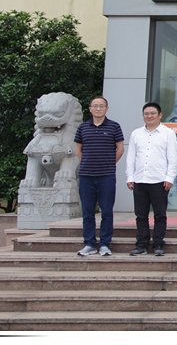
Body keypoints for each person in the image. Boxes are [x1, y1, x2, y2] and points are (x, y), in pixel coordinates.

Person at [125, 102, 177, 256]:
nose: (149, 116)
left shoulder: (168, 133)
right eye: (146, 114)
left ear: (160, 115)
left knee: (160, 215)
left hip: (159, 181)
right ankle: (141, 245)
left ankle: (158, 244)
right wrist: (130, 176)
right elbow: (131, 157)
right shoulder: (136, 134)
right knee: (141, 215)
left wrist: (170, 177)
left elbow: (173, 158)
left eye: (153, 113)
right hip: (140, 180)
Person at [74, 96, 124, 256]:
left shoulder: (114, 126)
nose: (98, 109)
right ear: (90, 109)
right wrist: (87, 163)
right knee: (87, 211)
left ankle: (104, 244)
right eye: (95, 106)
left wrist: (108, 163)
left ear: (106, 109)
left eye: (101, 106)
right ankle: (89, 243)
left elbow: (120, 149)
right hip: (86, 175)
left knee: (107, 211)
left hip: (106, 176)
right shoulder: (83, 127)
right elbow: (78, 150)